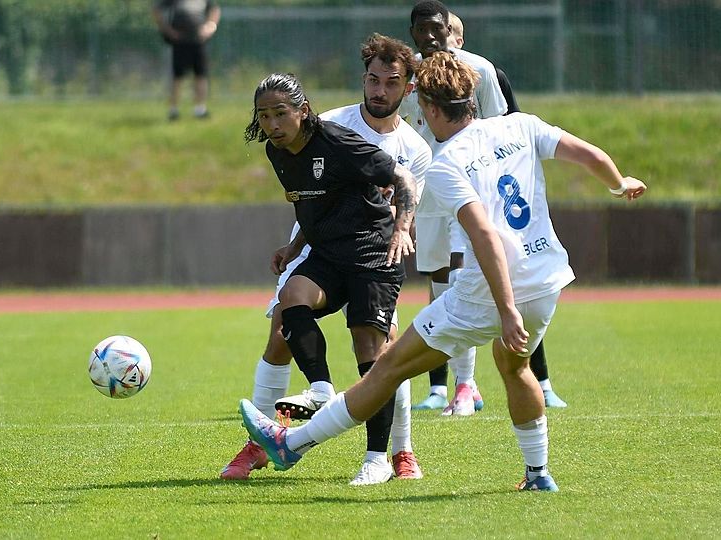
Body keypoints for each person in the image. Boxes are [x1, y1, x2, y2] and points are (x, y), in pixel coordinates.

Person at [239, 51, 647, 490]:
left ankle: (293, 444)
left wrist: (505, 309)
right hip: (546, 279)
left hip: (484, 293)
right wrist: (618, 182)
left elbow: (486, 236)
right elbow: (587, 154)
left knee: (386, 368)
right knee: (515, 369)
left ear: (430, 108)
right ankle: (538, 474)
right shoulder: (522, 124)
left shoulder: (447, 162)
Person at [230, 69, 419, 485]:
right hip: (329, 254)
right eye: (264, 116)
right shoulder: (276, 153)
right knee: (291, 300)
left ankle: (376, 459)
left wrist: (403, 228)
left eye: (281, 113)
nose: (273, 124)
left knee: (370, 347)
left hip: (373, 252)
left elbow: (403, 179)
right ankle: (320, 390)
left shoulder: (336, 142)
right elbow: (312, 207)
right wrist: (294, 249)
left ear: (303, 110)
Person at [446, 10, 568, 408]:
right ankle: (450, 387)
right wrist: (617, 182)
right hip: (459, 203)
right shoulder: (412, 81)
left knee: (394, 364)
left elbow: (510, 122)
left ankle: (538, 382)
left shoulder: (486, 76)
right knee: (449, 278)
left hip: (488, 204)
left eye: (447, 32)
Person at [402, 0, 508, 416]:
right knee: (441, 283)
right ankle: (452, 385)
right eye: (420, 28)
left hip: (471, 188)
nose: (429, 36)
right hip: (428, 192)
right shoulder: (406, 75)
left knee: (465, 275)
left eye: (436, 28)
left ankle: (465, 386)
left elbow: (499, 127)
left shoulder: (478, 69)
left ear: (450, 29)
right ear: (411, 31)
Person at [151, 0, 221, 121]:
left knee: (201, 75)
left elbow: (215, 10)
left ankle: (200, 109)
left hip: (198, 41)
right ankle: (173, 109)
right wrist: (168, 31)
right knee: (177, 76)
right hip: (180, 42)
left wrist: (210, 27)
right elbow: (156, 10)